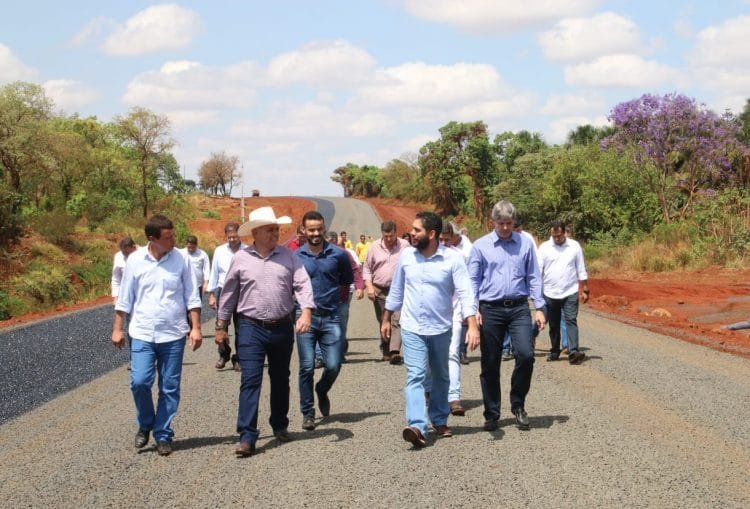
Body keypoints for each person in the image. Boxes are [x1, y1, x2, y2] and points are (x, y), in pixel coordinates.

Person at [216, 206, 314, 457]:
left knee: (280, 378)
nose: (275, 233)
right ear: (256, 233)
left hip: (282, 326)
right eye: (270, 229)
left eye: (276, 229)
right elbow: (229, 293)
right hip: (250, 327)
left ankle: (279, 424)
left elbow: (302, 284)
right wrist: (221, 326)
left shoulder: (288, 256)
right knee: (250, 379)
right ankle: (247, 436)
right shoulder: (241, 258)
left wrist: (306, 312)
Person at [383, 212, 479, 448]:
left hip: (440, 328)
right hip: (412, 327)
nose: (412, 234)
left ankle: (438, 418)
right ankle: (417, 425)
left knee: (441, 375)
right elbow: (397, 290)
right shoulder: (407, 256)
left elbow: (466, 292)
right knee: (415, 375)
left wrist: (472, 325)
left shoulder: (452, 259)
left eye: (417, 230)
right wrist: (386, 319)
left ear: (432, 234)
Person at [111, 215, 202, 456]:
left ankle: (163, 433)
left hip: (173, 334)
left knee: (169, 387)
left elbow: (192, 296)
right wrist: (117, 328)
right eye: (168, 237)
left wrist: (196, 327)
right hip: (142, 332)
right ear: (152, 239)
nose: (174, 240)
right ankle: (146, 423)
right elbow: (125, 298)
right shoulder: (135, 261)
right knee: (139, 381)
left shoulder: (182, 259)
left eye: (173, 235)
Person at [468, 200, 546, 432]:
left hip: (519, 307)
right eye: (501, 223)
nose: (504, 228)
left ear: (514, 222)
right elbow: (472, 281)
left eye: (509, 223)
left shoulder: (525, 243)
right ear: (492, 222)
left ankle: (518, 404)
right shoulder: (480, 246)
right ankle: (492, 413)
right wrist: (473, 310)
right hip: (490, 309)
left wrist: (539, 307)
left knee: (526, 355)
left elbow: (534, 276)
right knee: (490, 362)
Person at [295, 211, 354, 431]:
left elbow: (346, 281)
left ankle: (322, 389)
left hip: (331, 317)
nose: (316, 233)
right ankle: (308, 413)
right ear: (304, 230)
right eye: (311, 229)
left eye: (319, 229)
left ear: (324, 228)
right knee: (306, 366)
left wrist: (335, 303)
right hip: (305, 318)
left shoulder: (339, 254)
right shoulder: (296, 257)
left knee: (334, 364)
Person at [537, 220, 589, 364]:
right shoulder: (544, 248)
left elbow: (581, 267)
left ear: (564, 232)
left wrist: (585, 288)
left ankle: (573, 351)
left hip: (570, 291)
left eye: (559, 235)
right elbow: (538, 271)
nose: (557, 238)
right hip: (550, 292)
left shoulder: (574, 246)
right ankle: (555, 351)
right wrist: (537, 293)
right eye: (554, 236)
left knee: (571, 320)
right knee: (554, 324)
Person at [363, 221, 410, 364]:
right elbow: (367, 269)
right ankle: (386, 350)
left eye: (391, 236)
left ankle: (394, 351)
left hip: (399, 289)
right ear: (382, 234)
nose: (389, 239)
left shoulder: (405, 246)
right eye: (386, 236)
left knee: (397, 319)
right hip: (379, 290)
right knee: (383, 319)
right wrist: (369, 287)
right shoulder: (374, 247)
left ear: (396, 232)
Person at [439, 221, 473, 416]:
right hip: (431, 315)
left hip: (454, 312)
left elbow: (467, 288)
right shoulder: (425, 256)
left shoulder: (459, 257)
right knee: (431, 358)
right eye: (441, 240)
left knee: (452, 354)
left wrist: (471, 314)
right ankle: (430, 391)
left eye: (447, 240)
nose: (444, 243)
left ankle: (454, 397)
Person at [207, 222, 247, 371]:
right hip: (223, 291)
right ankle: (224, 354)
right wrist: (211, 295)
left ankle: (239, 358)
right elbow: (214, 273)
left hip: (242, 292)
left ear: (240, 235)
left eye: (234, 237)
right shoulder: (219, 251)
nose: (231, 240)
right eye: (229, 237)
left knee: (241, 328)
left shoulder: (247, 250)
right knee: (221, 326)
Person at [329, 231, 365, 360]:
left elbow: (355, 270)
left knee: (341, 324)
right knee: (325, 325)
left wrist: (359, 287)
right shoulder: (319, 253)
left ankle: (339, 352)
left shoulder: (344, 254)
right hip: (325, 299)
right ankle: (324, 354)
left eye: (333, 244)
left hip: (342, 297)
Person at [111, 236, 139, 366]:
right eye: (124, 253)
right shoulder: (118, 257)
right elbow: (116, 278)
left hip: (142, 297)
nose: (126, 255)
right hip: (127, 297)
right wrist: (115, 296)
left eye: (128, 252)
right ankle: (135, 358)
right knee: (130, 325)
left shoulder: (143, 254)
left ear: (134, 247)